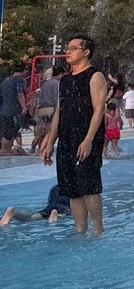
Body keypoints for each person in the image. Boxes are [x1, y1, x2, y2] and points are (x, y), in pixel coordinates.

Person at [38, 37, 108, 235]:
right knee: (72, 189)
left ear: (86, 52)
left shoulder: (95, 76)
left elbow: (99, 109)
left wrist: (88, 140)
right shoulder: (66, 80)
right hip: (67, 138)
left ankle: (98, 230)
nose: (68, 52)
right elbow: (59, 112)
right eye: (67, 48)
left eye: (73, 48)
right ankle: (80, 231)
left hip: (86, 137)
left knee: (89, 186)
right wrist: (50, 142)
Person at [1, 182, 68, 225]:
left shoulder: (55, 187)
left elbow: (50, 201)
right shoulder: (74, 188)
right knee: (64, 216)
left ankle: (13, 212)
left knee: (31, 218)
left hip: (49, 207)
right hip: (65, 208)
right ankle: (55, 216)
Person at [31, 66, 60, 154]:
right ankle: (44, 149)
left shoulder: (45, 83)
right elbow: (56, 97)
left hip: (42, 109)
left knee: (41, 133)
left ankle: (36, 148)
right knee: (50, 132)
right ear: (60, 74)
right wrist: (57, 110)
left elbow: (41, 96)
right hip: (51, 109)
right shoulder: (56, 83)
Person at [0, 65, 26, 155]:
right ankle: (5, 150)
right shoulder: (19, 80)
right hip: (13, 109)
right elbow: (20, 94)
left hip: (4, 109)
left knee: (5, 130)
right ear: (22, 71)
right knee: (12, 130)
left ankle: (6, 149)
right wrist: (24, 106)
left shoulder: (5, 81)